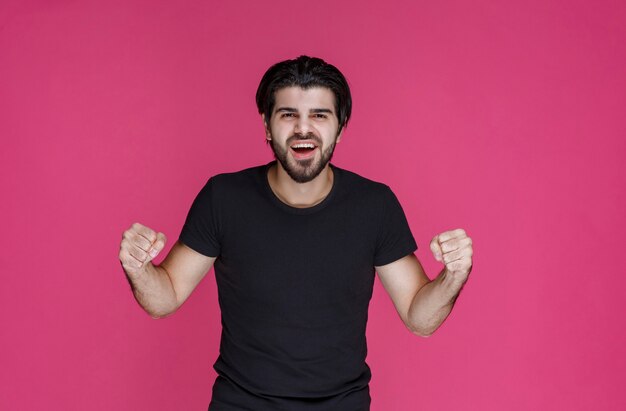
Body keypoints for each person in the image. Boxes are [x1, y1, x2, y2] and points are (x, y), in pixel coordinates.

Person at [119, 56, 474, 410]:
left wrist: (452, 277)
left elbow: (419, 318)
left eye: (320, 115)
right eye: (288, 115)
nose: (303, 129)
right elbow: (164, 300)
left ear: (341, 126)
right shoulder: (223, 198)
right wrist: (139, 268)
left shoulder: (374, 205)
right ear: (267, 125)